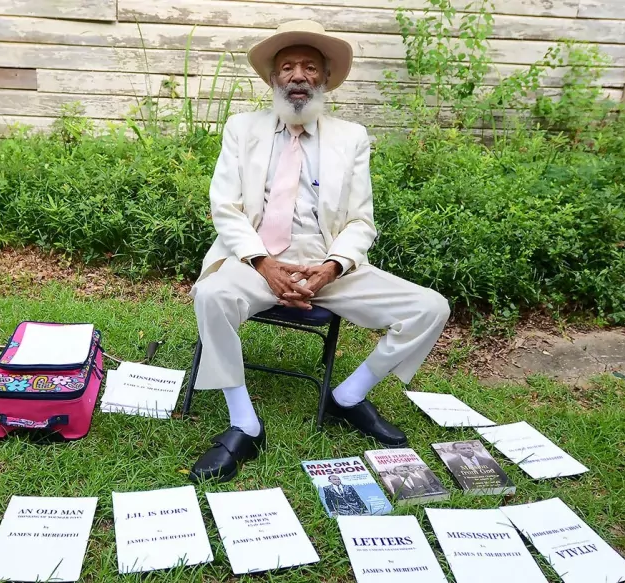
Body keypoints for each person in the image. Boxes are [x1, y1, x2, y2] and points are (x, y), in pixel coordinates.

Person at [188, 20, 451, 483]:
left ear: (326, 78)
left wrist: (330, 268)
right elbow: (224, 207)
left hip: (327, 266)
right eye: (287, 66)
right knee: (211, 295)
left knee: (430, 307)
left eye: (310, 67)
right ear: (273, 78)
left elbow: (360, 221)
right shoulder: (242, 129)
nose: (298, 76)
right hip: (254, 261)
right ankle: (244, 424)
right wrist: (263, 263)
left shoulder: (351, 137)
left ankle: (347, 397)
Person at [442, 442, 507, 479]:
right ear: (456, 451)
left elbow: (502, 476)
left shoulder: (488, 460)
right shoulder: (452, 462)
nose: (468, 450)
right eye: (463, 448)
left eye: (469, 448)